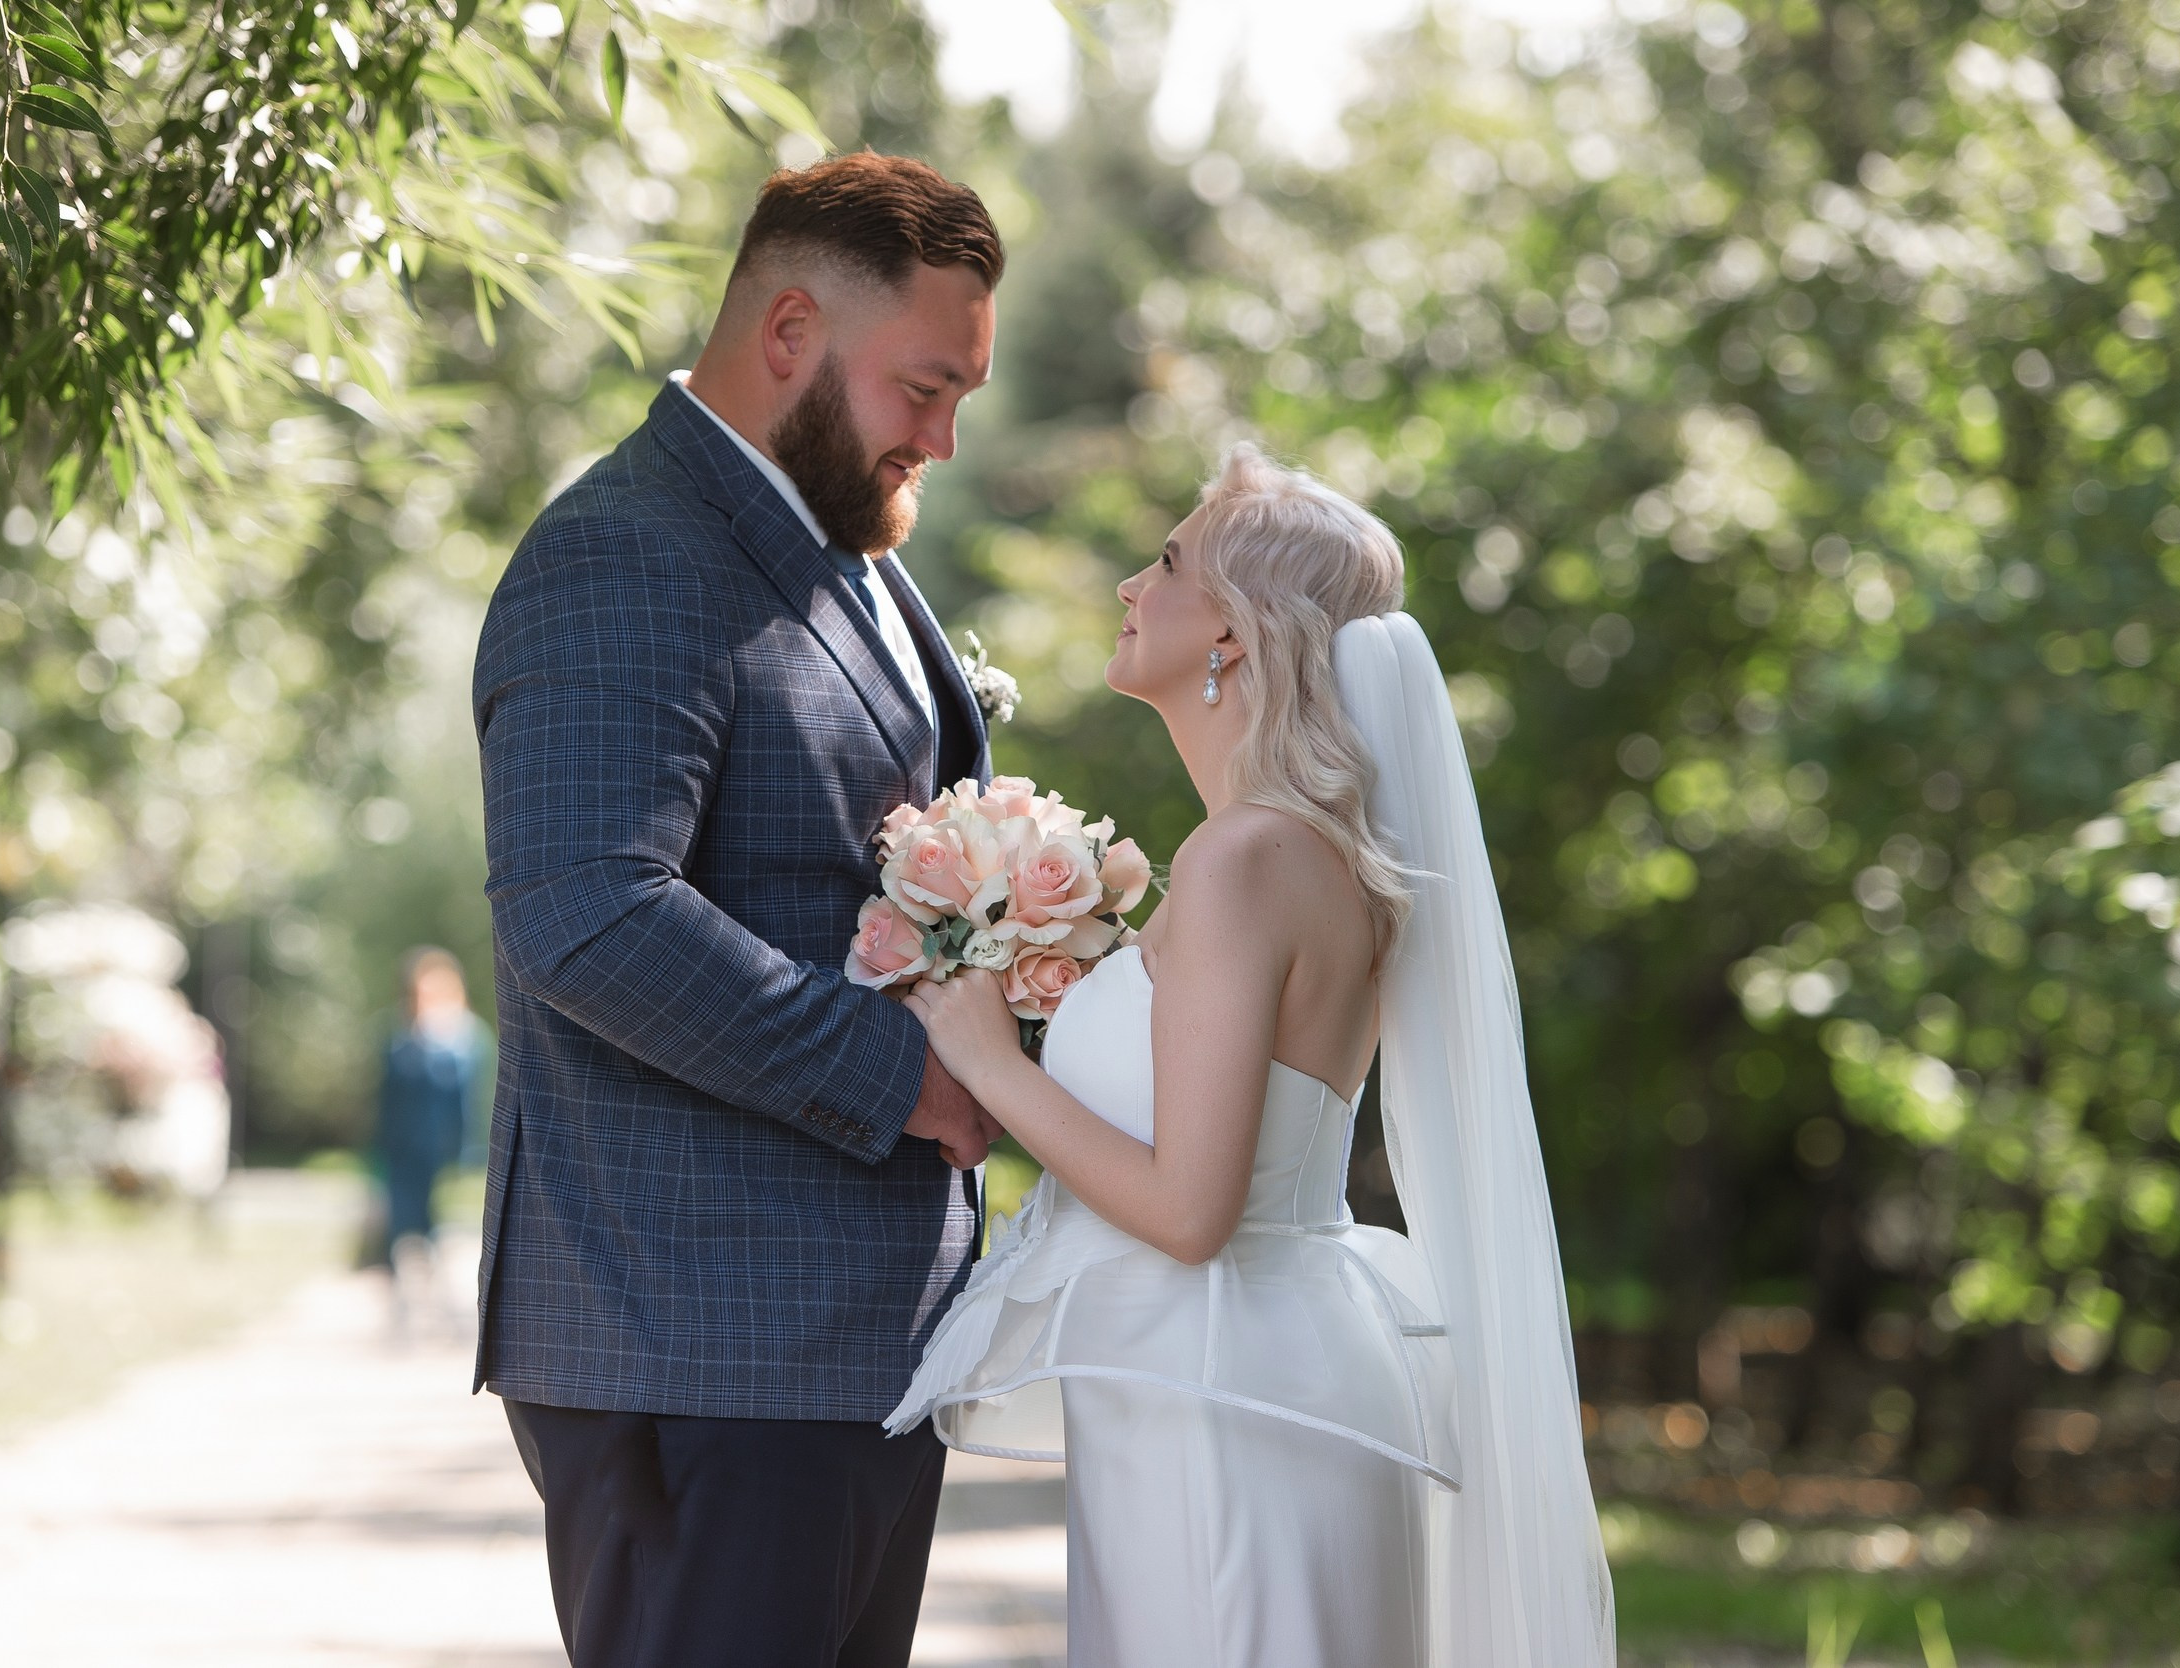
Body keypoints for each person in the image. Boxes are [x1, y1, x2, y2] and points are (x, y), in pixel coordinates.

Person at [892, 446, 1618, 1666]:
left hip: (1221, 1392)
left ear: (1234, 633)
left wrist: (992, 1062)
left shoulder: (1247, 861)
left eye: (1167, 562)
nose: (1131, 584)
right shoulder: (1292, 851)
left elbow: (1189, 1211)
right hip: (1241, 1373)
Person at [470, 152, 1003, 1668]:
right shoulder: (623, 555)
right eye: (924, 387)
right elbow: (587, 912)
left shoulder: (842, 553)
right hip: (700, 1343)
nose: (945, 437)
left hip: (850, 1352)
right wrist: (914, 1080)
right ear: (789, 333)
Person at [373, 947, 485, 1325]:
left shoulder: (467, 1040)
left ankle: (454, 1313)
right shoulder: (402, 1039)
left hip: (453, 1156)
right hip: (406, 1155)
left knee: (450, 1236)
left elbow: (475, 1103)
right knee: (406, 1234)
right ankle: (405, 1311)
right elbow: (387, 1102)